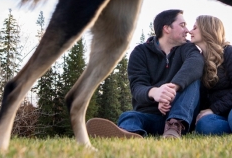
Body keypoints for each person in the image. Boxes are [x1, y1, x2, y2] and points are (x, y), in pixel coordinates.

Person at [86, 9, 204, 139]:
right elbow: (137, 87)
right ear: (167, 28)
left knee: (193, 77)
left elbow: (196, 63)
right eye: (182, 25)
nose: (187, 30)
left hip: (181, 120)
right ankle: (131, 134)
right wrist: (155, 93)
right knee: (129, 116)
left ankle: (173, 126)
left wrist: (171, 90)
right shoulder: (140, 52)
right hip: (151, 116)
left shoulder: (188, 48)